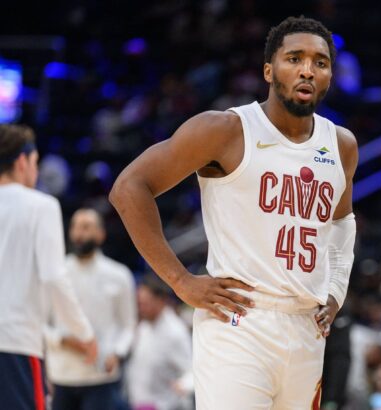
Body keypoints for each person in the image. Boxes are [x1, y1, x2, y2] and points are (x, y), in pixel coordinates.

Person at [109, 15, 358, 409]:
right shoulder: (225, 129)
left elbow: (342, 220)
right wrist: (180, 280)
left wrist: (337, 288)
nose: (307, 70)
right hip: (239, 322)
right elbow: (129, 188)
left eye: (320, 62)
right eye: (294, 58)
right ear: (268, 70)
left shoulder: (341, 144)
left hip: (307, 327)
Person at [0, 124, 96, 410]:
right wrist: (84, 333)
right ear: (22, 161)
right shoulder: (41, 206)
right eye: (36, 163)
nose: (37, 171)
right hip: (15, 341)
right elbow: (54, 277)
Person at [45, 208, 137, 410]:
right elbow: (41, 323)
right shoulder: (55, 274)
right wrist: (62, 339)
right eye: (75, 227)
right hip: (62, 374)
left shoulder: (119, 275)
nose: (79, 234)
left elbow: (129, 326)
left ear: (100, 234)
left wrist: (118, 353)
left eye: (86, 227)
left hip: (101, 375)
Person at [126, 274, 192, 410]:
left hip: (167, 404)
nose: (141, 308)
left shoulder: (175, 332)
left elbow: (192, 369)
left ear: (161, 300)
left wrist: (184, 384)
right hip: (141, 402)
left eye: (145, 304)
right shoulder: (144, 326)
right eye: (139, 304)